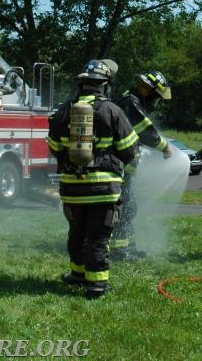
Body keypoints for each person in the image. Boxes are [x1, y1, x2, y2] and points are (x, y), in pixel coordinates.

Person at [46, 59, 139, 299]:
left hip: (72, 187)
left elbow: (54, 145)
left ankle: (78, 274)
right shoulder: (112, 110)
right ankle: (97, 285)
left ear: (82, 85)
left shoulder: (65, 110)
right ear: (105, 85)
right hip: (103, 188)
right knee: (98, 236)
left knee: (76, 233)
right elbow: (130, 149)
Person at [110, 70, 174, 259]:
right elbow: (145, 132)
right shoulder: (131, 103)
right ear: (148, 90)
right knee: (124, 206)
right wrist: (165, 148)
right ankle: (120, 250)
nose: (156, 101)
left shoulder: (130, 101)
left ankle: (127, 247)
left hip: (122, 166)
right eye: (156, 96)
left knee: (129, 207)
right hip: (117, 166)